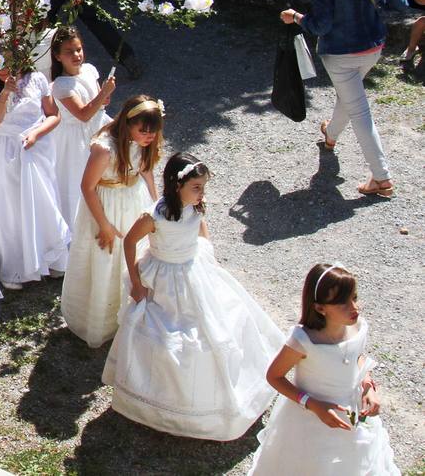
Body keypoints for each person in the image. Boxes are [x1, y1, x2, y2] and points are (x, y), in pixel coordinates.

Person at [104, 153, 283, 440]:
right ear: (177, 186)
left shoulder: (196, 206)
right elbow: (129, 242)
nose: (202, 193)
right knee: (166, 336)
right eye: (196, 187)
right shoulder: (155, 216)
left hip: (193, 270)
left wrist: (205, 249)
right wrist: (136, 283)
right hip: (165, 278)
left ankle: (212, 396)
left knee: (219, 324)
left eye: (203, 187)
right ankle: (157, 398)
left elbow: (199, 226)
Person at [280, 0, 409, 199]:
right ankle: (331, 135)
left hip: (340, 55)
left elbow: (320, 25)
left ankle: (382, 178)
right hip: (373, 49)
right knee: (349, 97)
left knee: (359, 110)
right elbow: (400, 3)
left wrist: (296, 17)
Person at [249, 264, 400, 475]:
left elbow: (357, 358)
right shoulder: (304, 340)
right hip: (310, 418)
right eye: (343, 304)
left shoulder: (358, 327)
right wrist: (313, 404)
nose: (354, 307)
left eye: (355, 298)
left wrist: (368, 387)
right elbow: (274, 376)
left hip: (350, 412)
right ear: (320, 308)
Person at [60, 94, 163, 348]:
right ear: (128, 123)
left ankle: (129, 315)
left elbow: (146, 172)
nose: (149, 136)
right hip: (105, 208)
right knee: (106, 257)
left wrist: (156, 206)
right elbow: (87, 187)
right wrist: (104, 225)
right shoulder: (105, 149)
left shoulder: (144, 143)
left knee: (133, 256)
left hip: (132, 202)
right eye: (143, 131)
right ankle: (100, 321)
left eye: (153, 132)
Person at [0, 35, 69, 291]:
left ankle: (49, 256)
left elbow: (54, 115)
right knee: (12, 207)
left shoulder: (37, 79)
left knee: (43, 200)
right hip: (6, 149)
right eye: (1, 63)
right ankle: (15, 266)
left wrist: (36, 133)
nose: (8, 69)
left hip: (36, 145)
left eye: (13, 62)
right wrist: (5, 92)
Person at [47, 26, 116, 225]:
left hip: (99, 128)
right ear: (58, 56)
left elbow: (98, 104)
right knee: (78, 183)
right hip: (77, 140)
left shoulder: (90, 70)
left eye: (78, 49)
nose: (76, 55)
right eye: (69, 52)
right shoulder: (60, 85)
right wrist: (103, 93)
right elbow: (83, 114)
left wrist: (104, 95)